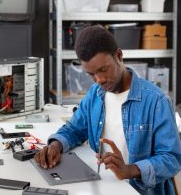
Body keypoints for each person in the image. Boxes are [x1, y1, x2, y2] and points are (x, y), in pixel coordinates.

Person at [35, 25, 181, 194]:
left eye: (103, 70)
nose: (99, 80)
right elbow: (74, 129)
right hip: (103, 186)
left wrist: (129, 170)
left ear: (119, 56)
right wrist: (55, 145)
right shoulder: (95, 94)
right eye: (91, 74)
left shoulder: (156, 101)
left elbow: (172, 158)